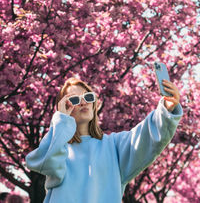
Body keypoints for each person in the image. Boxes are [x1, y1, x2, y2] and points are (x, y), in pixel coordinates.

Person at [26, 76, 183, 203]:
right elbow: (42, 162)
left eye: (88, 97)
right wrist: (61, 121)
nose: (83, 102)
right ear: (63, 109)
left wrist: (166, 110)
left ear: (94, 105)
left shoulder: (114, 146)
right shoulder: (58, 149)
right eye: (73, 100)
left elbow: (147, 136)